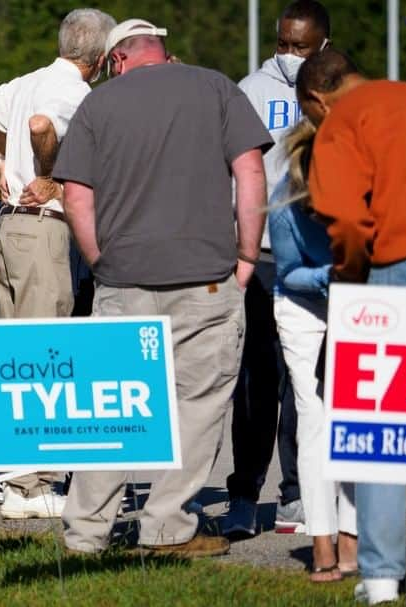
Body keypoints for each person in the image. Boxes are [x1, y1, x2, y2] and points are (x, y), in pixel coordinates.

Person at [53, 19, 271, 558]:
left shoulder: (98, 105)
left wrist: (100, 260)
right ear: (160, 51)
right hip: (205, 278)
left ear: (117, 59)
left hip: (123, 279)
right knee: (197, 405)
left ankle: (85, 533)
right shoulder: (217, 86)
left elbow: (75, 195)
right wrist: (246, 256)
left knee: (110, 407)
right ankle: (167, 528)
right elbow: (250, 172)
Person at [0, 7, 116, 520]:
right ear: (101, 56)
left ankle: (15, 478)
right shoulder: (74, 94)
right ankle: (33, 482)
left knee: (12, 354)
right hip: (44, 225)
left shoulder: (29, 81)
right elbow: (43, 126)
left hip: (11, 228)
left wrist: (0, 160)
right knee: (45, 353)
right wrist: (49, 171)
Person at [297, 48, 406, 605]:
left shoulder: (342, 122)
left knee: (382, 433)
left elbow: (344, 216)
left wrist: (350, 270)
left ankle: (384, 575)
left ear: (318, 98)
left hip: (390, 272)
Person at [223, 0, 331, 538]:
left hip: (316, 258)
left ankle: (297, 494)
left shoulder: (335, 89)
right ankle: (244, 492)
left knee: (306, 383)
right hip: (261, 254)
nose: (287, 55)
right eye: (282, 44)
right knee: (256, 379)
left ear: (323, 47)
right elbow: (232, 172)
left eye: (300, 47)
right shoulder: (252, 90)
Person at [267, 118, 357, 582]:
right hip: (303, 304)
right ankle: (321, 540)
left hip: (359, 302)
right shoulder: (285, 201)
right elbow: (288, 272)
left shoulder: (367, 183)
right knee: (314, 418)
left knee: (356, 419)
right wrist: (328, 277)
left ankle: (353, 537)